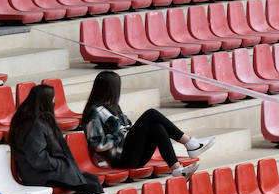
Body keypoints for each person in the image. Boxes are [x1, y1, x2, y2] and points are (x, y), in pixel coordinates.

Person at [80, 71, 213, 175]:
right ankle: (190, 143)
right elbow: (96, 144)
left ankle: (177, 169)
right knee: (151, 114)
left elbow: (127, 127)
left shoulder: (113, 107)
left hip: (131, 156)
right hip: (116, 161)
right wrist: (121, 134)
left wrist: (129, 131)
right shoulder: (94, 112)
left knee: (157, 127)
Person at [8, 85, 102, 194]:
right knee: (91, 187)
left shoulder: (40, 119)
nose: (54, 102)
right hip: (39, 175)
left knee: (94, 180)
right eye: (52, 99)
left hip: (52, 171)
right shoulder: (34, 125)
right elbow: (38, 159)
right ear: (45, 101)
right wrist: (60, 164)